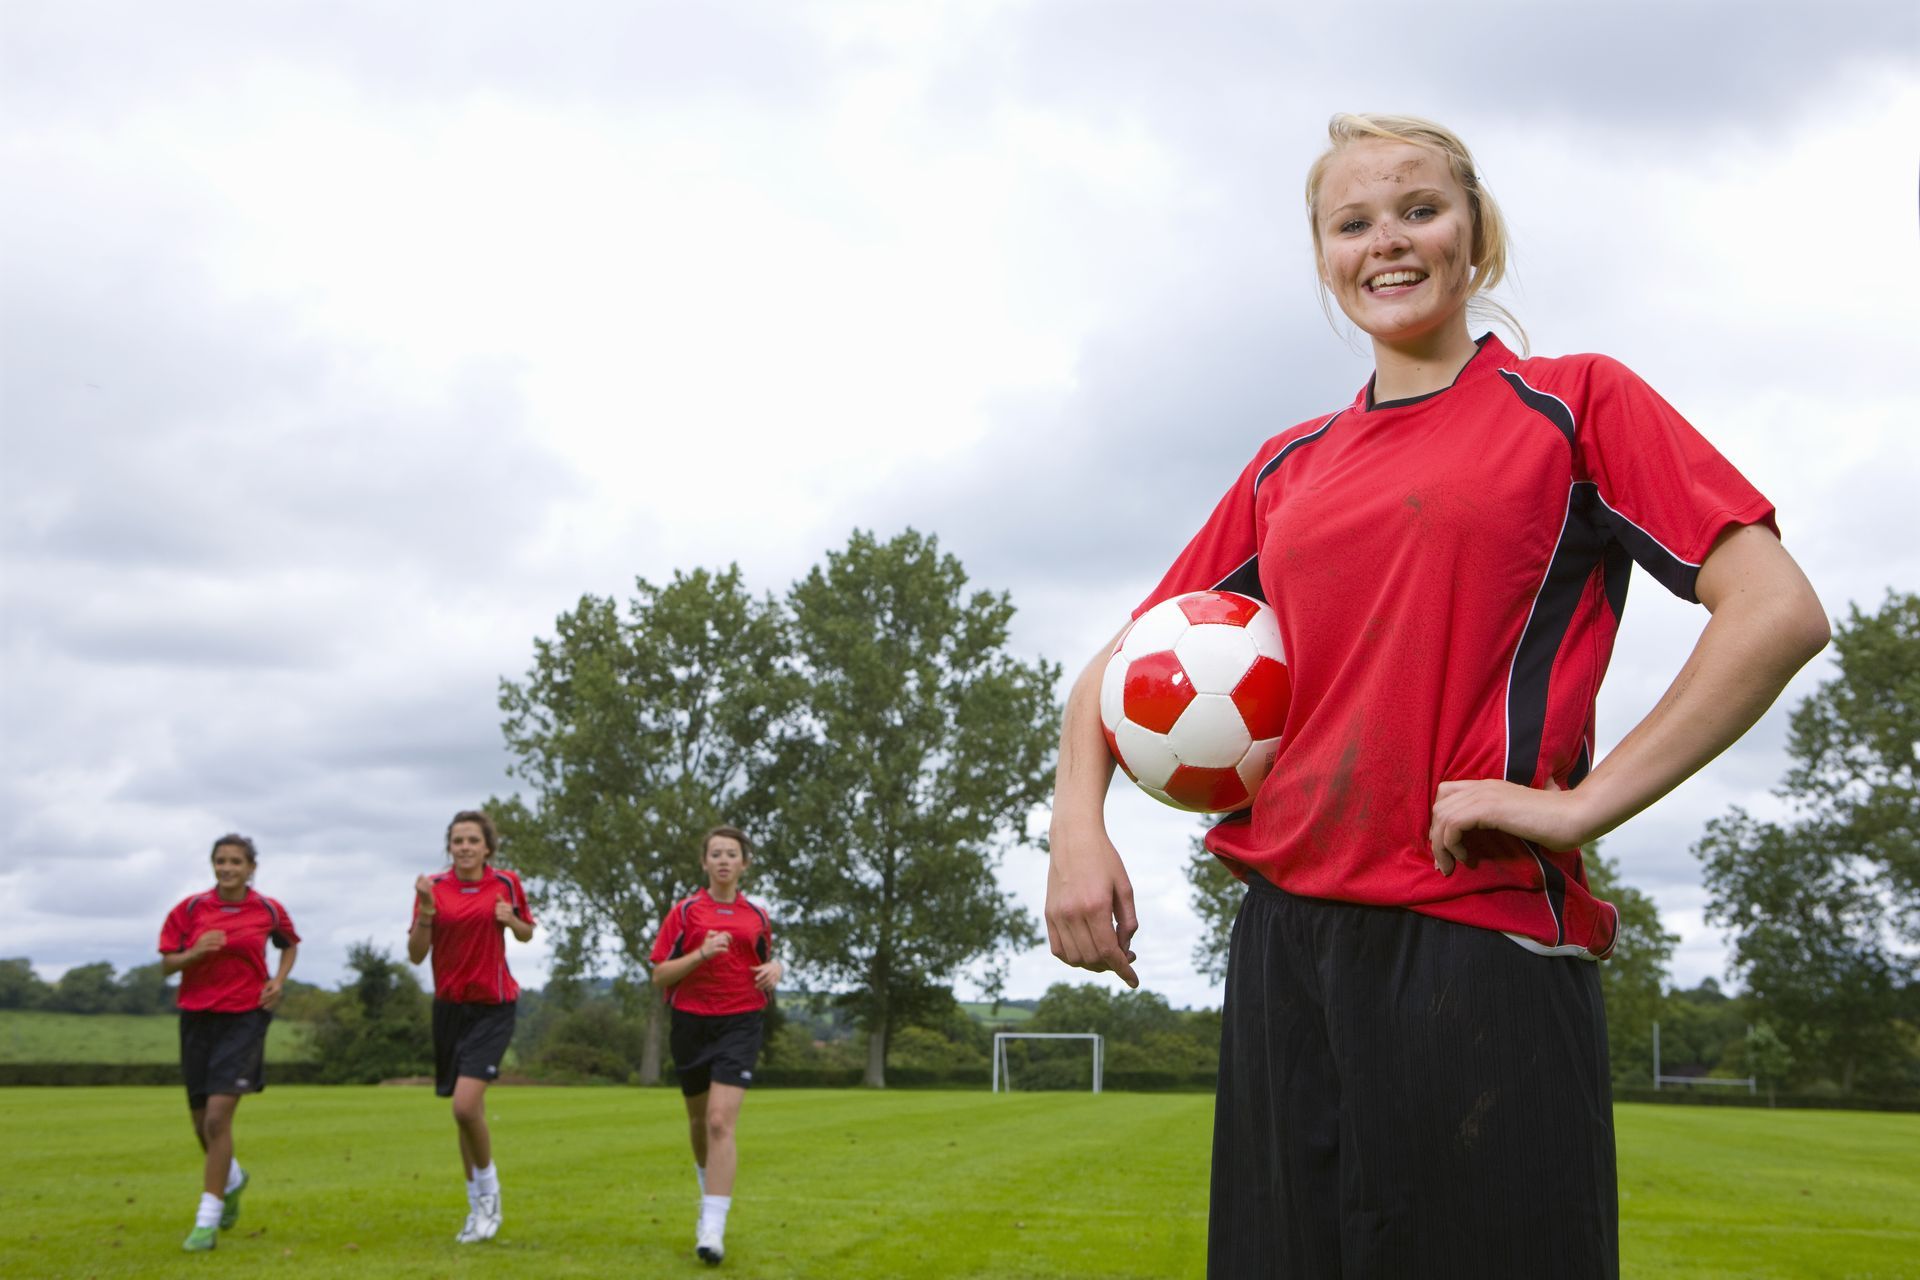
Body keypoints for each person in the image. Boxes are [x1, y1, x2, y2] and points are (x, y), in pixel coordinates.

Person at [1043, 113, 1830, 1279]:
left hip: (1478, 943)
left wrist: (1580, 807)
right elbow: (1118, 666)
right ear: (1322, 254)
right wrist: (1077, 827)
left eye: (1420, 209)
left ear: (1476, 238)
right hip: (1285, 949)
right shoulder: (1286, 467)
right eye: (1352, 221)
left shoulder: (1575, 404)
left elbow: (1777, 610)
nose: (1388, 240)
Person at [158, 833, 299, 1253]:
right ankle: (233, 1180)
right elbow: (167, 964)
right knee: (202, 1124)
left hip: (245, 1018)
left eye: (236, 861)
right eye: (220, 861)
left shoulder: (268, 910)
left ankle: (206, 1220)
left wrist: (278, 980)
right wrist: (195, 952)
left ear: (251, 867)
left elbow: (289, 944)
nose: (227, 868)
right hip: (198, 1018)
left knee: (218, 1118)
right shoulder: (190, 909)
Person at [648, 825, 781, 1267]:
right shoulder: (684, 913)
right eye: (716, 854)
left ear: (744, 864)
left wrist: (775, 969)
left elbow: (763, 961)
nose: (724, 860)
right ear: (705, 863)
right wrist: (701, 954)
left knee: (721, 1121)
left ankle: (712, 1227)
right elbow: (660, 975)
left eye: (732, 854)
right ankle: (709, 1190)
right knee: (699, 1121)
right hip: (691, 1023)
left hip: (741, 1022)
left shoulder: (758, 917)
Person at [407, 808, 535, 1245]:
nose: (464, 847)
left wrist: (511, 919)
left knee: (465, 1106)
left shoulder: (506, 883)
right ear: (450, 846)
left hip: (493, 1006)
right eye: (457, 840)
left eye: (472, 841)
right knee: (464, 1114)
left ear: (487, 847)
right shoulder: (433, 888)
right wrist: (426, 911)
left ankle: (490, 1196)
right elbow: (416, 955)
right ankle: (475, 1206)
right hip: (449, 1008)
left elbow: (526, 934)